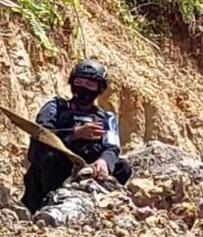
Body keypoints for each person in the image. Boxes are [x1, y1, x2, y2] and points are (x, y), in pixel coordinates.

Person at [21, 59, 133, 213]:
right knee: (52, 157)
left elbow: (112, 147)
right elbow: (41, 134)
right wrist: (75, 134)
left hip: (88, 172)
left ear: (100, 89)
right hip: (54, 172)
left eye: (90, 84)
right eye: (79, 82)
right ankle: (49, 204)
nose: (83, 88)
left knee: (123, 167)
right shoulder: (55, 107)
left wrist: (104, 162)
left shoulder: (107, 118)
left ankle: (100, 205)